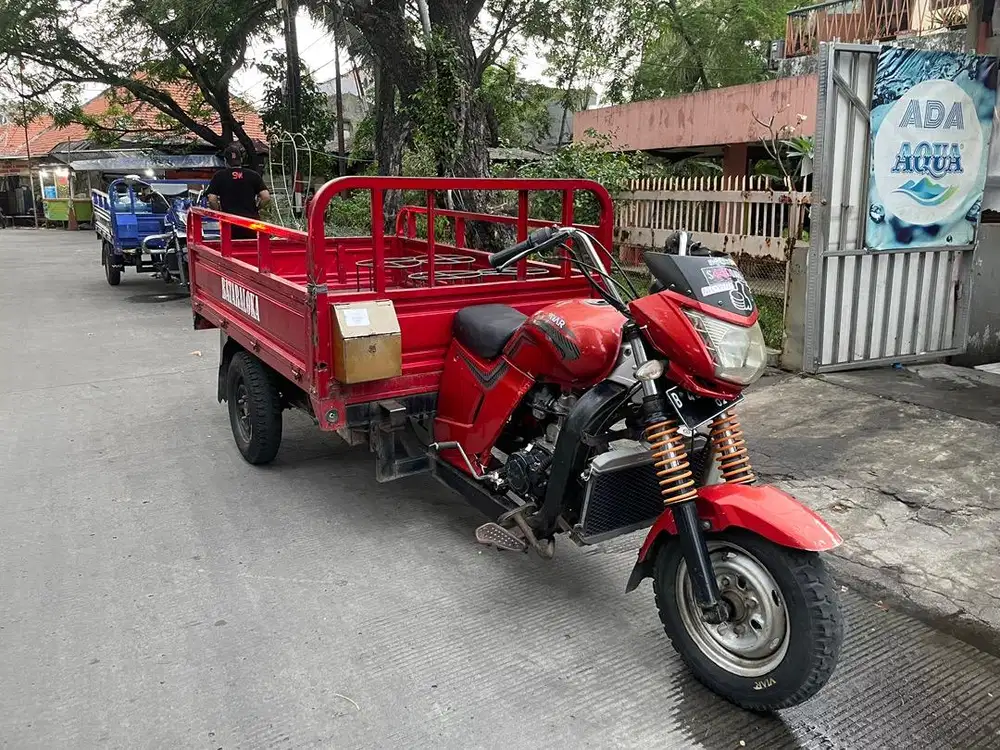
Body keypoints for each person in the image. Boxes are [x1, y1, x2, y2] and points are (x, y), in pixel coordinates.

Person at [206, 143, 271, 239]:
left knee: (230, 249)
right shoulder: (253, 175)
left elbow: (211, 199)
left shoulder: (219, 176)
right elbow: (266, 197)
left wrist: (219, 211)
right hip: (250, 222)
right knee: (250, 248)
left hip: (229, 223)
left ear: (225, 161)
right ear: (241, 160)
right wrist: (257, 208)